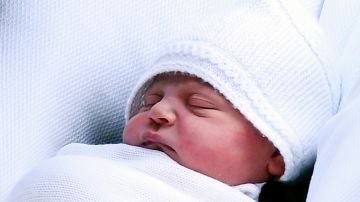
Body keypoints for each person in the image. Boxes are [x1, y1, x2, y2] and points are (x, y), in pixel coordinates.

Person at [8, 1, 341, 201]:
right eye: (149, 101)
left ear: (276, 153)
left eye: (198, 105)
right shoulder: (100, 159)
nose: (160, 112)